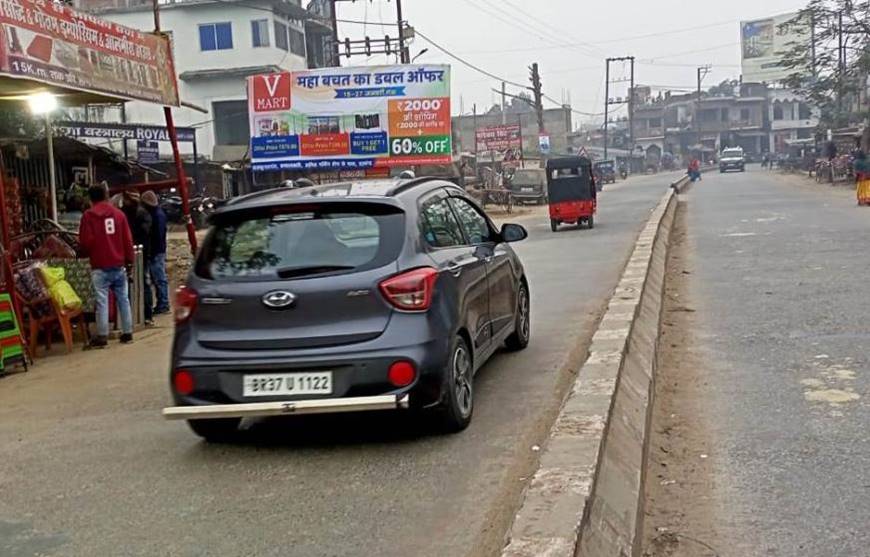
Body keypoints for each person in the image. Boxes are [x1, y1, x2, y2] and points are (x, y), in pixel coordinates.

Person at [78, 184, 135, 347]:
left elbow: (86, 242)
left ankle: (102, 336)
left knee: (102, 300)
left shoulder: (88, 216)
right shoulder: (119, 215)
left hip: (99, 265)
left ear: (90, 198)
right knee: (123, 299)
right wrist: (129, 260)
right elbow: (127, 240)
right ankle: (127, 332)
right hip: (118, 265)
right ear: (106, 196)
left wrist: (83, 252)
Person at [121, 191, 153, 323]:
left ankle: (146, 314)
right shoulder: (126, 213)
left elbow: (145, 232)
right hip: (136, 251)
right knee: (137, 282)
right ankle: (138, 314)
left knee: (143, 282)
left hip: (140, 253)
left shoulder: (140, 214)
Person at [141, 191, 170, 315]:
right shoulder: (158, 214)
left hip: (156, 251)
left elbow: (156, 236)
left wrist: (151, 251)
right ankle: (162, 303)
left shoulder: (156, 216)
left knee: (159, 278)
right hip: (158, 250)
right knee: (159, 278)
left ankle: (163, 303)